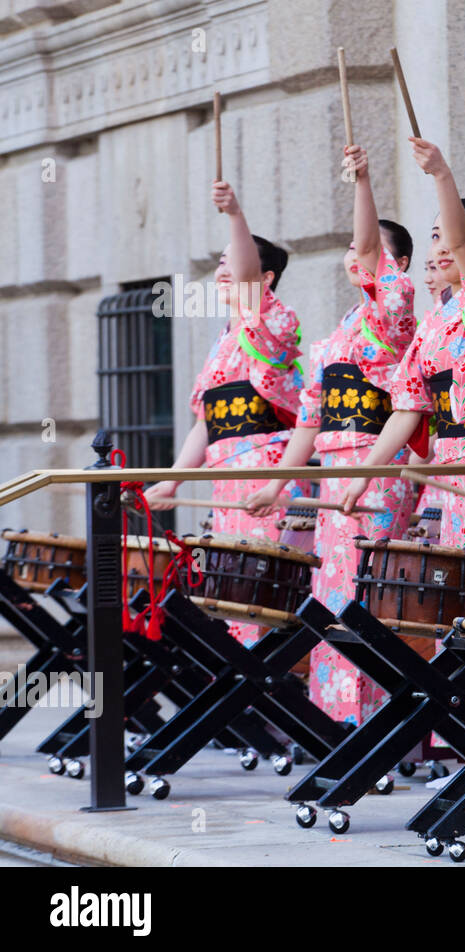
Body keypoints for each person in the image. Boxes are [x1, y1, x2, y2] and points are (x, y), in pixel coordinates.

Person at [246, 142, 418, 728]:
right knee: (332, 594)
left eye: (363, 249)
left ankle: (376, 726)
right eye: (346, 249)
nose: (354, 255)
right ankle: (337, 723)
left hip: (376, 471)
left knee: (366, 596)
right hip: (332, 477)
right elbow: (311, 419)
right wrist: (278, 486)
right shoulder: (337, 334)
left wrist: (363, 182)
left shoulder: (393, 317)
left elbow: (371, 249)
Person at [339, 139, 465, 546]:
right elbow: (407, 410)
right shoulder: (431, 325)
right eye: (434, 236)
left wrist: (441, 174)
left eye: (449, 234)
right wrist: (364, 475)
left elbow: (462, 246)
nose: (443, 244)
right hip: (451, 464)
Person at [146, 179, 305, 647]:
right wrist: (173, 480)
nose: (221, 269)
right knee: (229, 600)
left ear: (264, 278)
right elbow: (206, 422)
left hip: (266, 476)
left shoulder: (273, 322)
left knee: (262, 597)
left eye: (229, 262)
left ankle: (270, 706)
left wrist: (235, 213)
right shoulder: (222, 341)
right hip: (226, 480)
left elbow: (248, 279)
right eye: (218, 262)